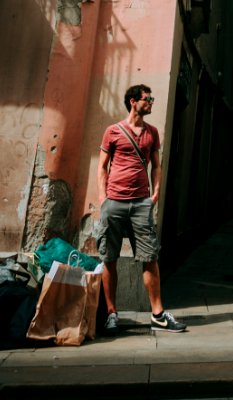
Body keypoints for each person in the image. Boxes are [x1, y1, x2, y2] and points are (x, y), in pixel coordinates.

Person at [97, 83, 186, 333]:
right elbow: (102, 166)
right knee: (109, 258)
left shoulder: (152, 132)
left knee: (150, 258)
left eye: (152, 98)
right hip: (113, 202)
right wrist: (103, 197)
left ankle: (157, 314)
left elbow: (156, 165)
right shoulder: (113, 131)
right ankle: (111, 313)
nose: (151, 102)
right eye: (148, 98)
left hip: (140, 204)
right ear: (133, 102)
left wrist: (155, 193)